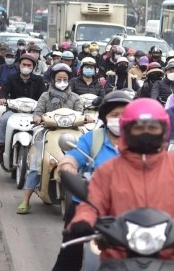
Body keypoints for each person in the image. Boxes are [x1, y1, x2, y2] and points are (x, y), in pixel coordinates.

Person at [66, 99, 174, 266]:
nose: (145, 133)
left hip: (168, 258)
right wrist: (83, 220)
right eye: (139, 127)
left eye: (152, 127)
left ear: (163, 130)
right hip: (118, 256)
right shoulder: (109, 170)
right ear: (128, 130)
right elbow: (92, 203)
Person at [54, 89, 133, 270]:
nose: (120, 119)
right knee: (69, 256)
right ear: (105, 117)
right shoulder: (93, 138)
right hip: (87, 205)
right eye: (115, 114)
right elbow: (74, 155)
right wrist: (68, 165)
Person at [17, 63, 84, 214]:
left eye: (65, 79)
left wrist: (86, 118)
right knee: (36, 165)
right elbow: (38, 111)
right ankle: (25, 200)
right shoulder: (45, 96)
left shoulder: (75, 97)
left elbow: (80, 113)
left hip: (72, 133)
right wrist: (37, 118)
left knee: (85, 163)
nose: (62, 81)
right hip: (48, 132)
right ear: (53, 79)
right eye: (59, 78)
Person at [0, 53, 46, 164]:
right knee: (4, 120)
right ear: (19, 65)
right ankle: (1, 148)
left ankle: (40, 152)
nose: (26, 67)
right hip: (14, 111)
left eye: (29, 65)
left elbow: (44, 95)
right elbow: (4, 90)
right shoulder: (12, 78)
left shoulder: (39, 80)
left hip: (33, 112)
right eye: (24, 64)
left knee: (43, 127)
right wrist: (2, 98)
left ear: (33, 67)